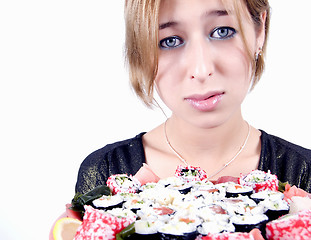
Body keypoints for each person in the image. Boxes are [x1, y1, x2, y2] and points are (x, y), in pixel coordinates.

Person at [75, 0, 311, 196]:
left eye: (222, 31)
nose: (201, 69)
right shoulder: (105, 171)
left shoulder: (303, 171)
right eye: (170, 41)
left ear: (260, 31)